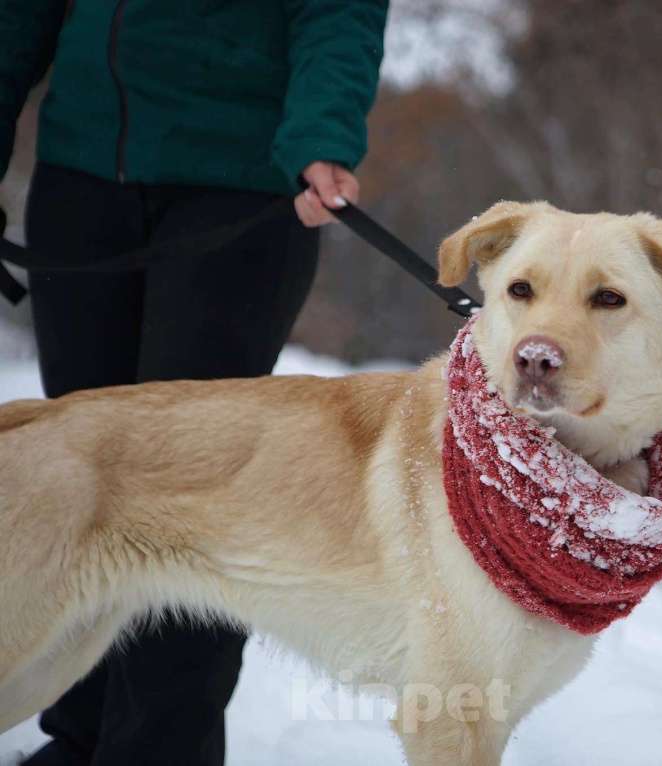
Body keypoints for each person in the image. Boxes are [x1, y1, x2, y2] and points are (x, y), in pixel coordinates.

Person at [0, 2, 388, 765]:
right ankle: (79, 742)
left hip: (239, 192)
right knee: (82, 487)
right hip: (82, 182)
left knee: (196, 505)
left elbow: (338, 13)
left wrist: (323, 135)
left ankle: (160, 752)